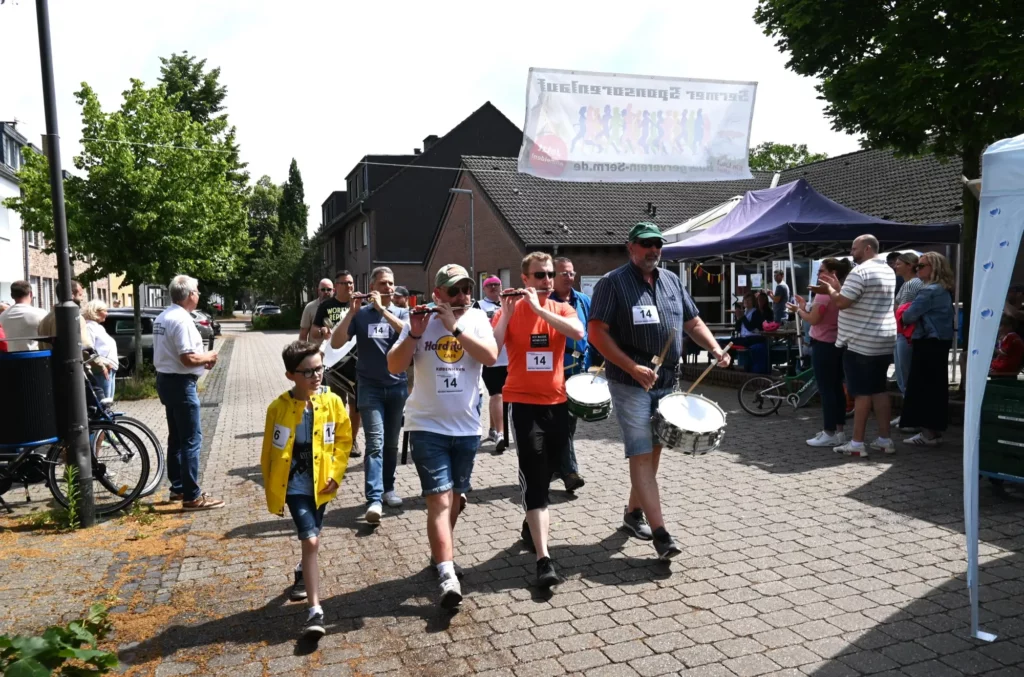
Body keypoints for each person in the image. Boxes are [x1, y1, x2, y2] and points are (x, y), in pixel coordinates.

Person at [588, 222, 730, 560]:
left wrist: (715, 349)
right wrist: (630, 367)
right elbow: (596, 333)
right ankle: (662, 534)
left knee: (653, 451)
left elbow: (692, 322)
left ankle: (633, 514)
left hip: (668, 383)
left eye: (658, 245)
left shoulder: (672, 281)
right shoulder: (612, 283)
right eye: (646, 244)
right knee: (640, 452)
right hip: (630, 383)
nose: (653, 250)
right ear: (630, 246)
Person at [387, 264, 498, 609]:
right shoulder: (418, 319)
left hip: (466, 429)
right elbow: (393, 365)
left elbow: (491, 358)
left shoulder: (476, 318)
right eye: (454, 291)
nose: (462, 296)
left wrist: (456, 327)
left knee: (456, 499)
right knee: (439, 501)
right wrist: (416, 335)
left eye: (466, 289)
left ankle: (440, 556)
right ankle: (447, 575)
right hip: (426, 427)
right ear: (438, 294)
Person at [492, 252, 585, 588]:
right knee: (533, 472)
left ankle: (529, 524)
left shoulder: (560, 308)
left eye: (550, 275)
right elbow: (492, 349)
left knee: (548, 472)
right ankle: (543, 559)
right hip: (523, 403)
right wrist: (506, 312)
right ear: (525, 279)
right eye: (540, 276)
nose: (547, 281)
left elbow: (577, 333)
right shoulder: (512, 310)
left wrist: (541, 309)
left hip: (557, 403)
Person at [262, 341, 352, 637]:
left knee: (313, 534)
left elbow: (343, 441)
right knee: (311, 540)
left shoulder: (333, 402)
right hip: (295, 488)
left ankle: (303, 568)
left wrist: (336, 475)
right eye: (308, 371)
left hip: (322, 486)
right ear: (291, 375)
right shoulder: (278, 408)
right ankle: (315, 611)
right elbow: (270, 454)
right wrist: (273, 491)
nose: (317, 376)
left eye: (319, 368)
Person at [330, 267, 409, 523]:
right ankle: (374, 499)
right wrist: (351, 313)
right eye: (384, 284)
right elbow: (336, 343)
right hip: (369, 387)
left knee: (391, 443)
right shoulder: (361, 315)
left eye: (392, 284)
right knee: (375, 442)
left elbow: (407, 335)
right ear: (373, 285)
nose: (389, 288)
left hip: (397, 386)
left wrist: (383, 310)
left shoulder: (401, 312)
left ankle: (388, 488)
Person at [816, 234, 897, 457]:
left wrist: (832, 290)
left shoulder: (860, 271)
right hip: (884, 338)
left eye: (854, 248)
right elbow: (859, 297)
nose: (851, 252)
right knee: (879, 389)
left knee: (862, 393)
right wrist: (840, 287)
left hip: (861, 340)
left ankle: (857, 443)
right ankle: (884, 439)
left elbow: (842, 302)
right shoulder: (888, 270)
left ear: (868, 248)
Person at [153, 275, 224, 509]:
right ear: (189, 295)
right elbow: (187, 358)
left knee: (176, 439)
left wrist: (201, 362)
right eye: (197, 291)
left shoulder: (163, 316)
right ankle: (192, 496)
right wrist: (208, 357)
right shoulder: (181, 320)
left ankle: (178, 488)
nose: (199, 294)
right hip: (181, 384)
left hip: (166, 381)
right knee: (191, 440)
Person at [792, 257, 852, 447]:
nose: (818, 274)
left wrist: (799, 311)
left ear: (832, 273)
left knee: (827, 390)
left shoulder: (823, 294)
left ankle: (829, 431)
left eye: (822, 270)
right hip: (837, 343)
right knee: (836, 389)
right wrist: (805, 307)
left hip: (823, 344)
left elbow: (814, 319)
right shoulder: (841, 292)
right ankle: (838, 431)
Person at [899, 252, 955, 446]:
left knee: (923, 388)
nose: (917, 269)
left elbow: (908, 316)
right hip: (939, 342)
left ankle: (928, 433)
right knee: (936, 388)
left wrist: (903, 311)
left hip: (928, 342)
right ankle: (933, 431)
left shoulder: (929, 291)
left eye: (921, 266)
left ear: (934, 268)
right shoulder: (944, 289)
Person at [548, 257, 590, 493]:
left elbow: (591, 332)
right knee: (563, 423)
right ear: (552, 276)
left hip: (579, 372)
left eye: (572, 273)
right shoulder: (546, 302)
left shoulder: (582, 301)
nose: (569, 277)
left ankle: (557, 465)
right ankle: (569, 472)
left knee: (568, 424)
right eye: (564, 273)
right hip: (554, 371)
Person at [314, 271, 361, 457]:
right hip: (334, 365)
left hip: (356, 362)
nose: (349, 286)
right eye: (345, 283)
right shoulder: (326, 306)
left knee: (356, 405)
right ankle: (336, 439)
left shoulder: (360, 304)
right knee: (337, 404)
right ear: (337, 286)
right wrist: (322, 330)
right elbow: (314, 329)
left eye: (351, 283)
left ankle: (352, 440)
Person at [475, 276, 510, 453]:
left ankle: (492, 428)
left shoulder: (509, 303)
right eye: (490, 285)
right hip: (491, 358)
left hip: (510, 357)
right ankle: (501, 434)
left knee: (499, 395)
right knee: (497, 394)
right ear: (484, 288)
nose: (494, 288)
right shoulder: (479, 306)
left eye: (497, 284)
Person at [891, 253, 923, 397]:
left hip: (905, 334)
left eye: (898, 264)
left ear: (909, 265)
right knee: (903, 376)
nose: (895, 267)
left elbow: (903, 313)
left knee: (905, 376)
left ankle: (909, 414)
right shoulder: (908, 283)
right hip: (904, 334)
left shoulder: (911, 284)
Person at [37, 279, 93, 352]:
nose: (82, 299)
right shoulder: (76, 318)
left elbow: (41, 348)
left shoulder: (44, 320)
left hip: (50, 363)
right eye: (80, 295)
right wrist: (103, 363)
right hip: (72, 363)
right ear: (71, 295)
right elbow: (85, 349)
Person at [83, 300, 120, 401]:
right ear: (96, 311)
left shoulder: (98, 327)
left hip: (108, 368)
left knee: (108, 401)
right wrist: (102, 365)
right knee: (104, 402)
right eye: (105, 310)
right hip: (101, 369)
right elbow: (88, 350)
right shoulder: (89, 327)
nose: (107, 313)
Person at [0, 281, 47, 352]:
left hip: (11, 360)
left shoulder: (2, 316)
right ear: (31, 294)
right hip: (36, 359)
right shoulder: (41, 313)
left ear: (12, 296)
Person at [299, 278, 334, 347]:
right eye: (323, 289)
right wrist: (303, 354)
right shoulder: (310, 307)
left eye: (329, 289)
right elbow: (303, 334)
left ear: (334, 290)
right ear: (318, 291)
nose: (326, 292)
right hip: (316, 353)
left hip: (336, 353)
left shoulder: (339, 307)